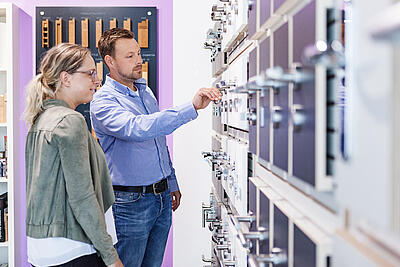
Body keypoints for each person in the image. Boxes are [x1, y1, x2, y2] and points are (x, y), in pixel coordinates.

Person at [90, 28, 221, 266]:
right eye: (129, 56)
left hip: (160, 198)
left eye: (138, 53)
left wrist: (170, 181)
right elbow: (139, 128)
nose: (139, 60)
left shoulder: (144, 92)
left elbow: (158, 141)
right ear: (110, 61)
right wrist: (190, 107)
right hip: (130, 203)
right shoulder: (103, 101)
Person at [24, 43, 124, 267]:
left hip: (43, 250)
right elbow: (83, 198)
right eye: (90, 73)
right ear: (66, 78)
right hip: (74, 250)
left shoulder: (40, 119)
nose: (97, 81)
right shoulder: (71, 121)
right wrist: (111, 256)